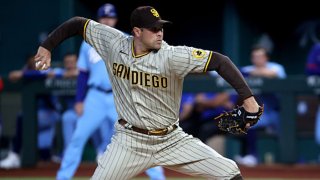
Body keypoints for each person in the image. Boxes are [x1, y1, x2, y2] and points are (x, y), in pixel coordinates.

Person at [34, 6, 261, 179]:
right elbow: (77, 23)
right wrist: (47, 46)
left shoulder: (172, 56)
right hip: (129, 141)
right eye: (153, 29)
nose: (160, 33)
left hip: (172, 140)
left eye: (161, 27)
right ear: (136, 31)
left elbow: (221, 61)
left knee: (229, 172)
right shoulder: (113, 43)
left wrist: (249, 102)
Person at [56, 4, 165, 180]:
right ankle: (62, 177)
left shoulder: (126, 40)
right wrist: (79, 100)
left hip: (119, 97)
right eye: (104, 17)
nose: (107, 20)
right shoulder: (88, 42)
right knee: (77, 137)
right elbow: (83, 74)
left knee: (140, 138)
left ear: (114, 20)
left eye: (110, 17)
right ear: (99, 20)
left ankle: (159, 177)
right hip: (95, 97)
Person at [0, 54, 77, 169]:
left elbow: (74, 73)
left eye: (37, 61)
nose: (35, 64)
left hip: (60, 112)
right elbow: (17, 76)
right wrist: (23, 73)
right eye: (32, 62)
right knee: (25, 119)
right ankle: (17, 155)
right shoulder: (40, 71)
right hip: (47, 114)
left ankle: (15, 154)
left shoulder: (55, 70)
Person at [236, 46, 286, 166]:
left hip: (279, 112)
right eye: (255, 57)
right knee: (249, 123)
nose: (257, 59)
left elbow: (273, 74)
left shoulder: (276, 67)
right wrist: (247, 72)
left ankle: (294, 160)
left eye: (260, 56)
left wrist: (251, 73)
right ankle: (252, 156)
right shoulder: (249, 69)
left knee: (285, 132)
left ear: (266, 58)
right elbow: (233, 72)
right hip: (262, 113)